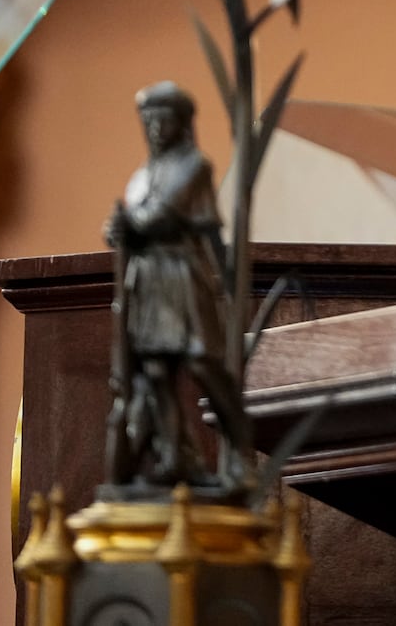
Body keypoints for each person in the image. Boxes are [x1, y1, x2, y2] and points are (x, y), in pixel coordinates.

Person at [104, 80, 250, 490]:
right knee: (154, 371)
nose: (153, 128)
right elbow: (130, 219)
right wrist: (115, 227)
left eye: (162, 119)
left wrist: (127, 223)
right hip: (148, 278)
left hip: (182, 274)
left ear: (182, 122)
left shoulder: (193, 165)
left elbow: (158, 215)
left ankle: (239, 452)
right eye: (147, 120)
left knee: (204, 361)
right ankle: (175, 457)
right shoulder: (144, 172)